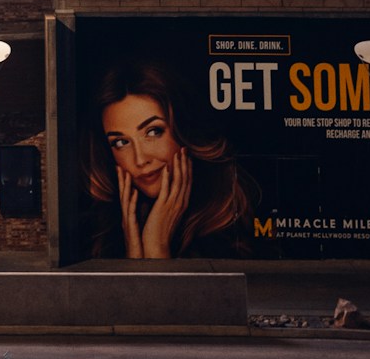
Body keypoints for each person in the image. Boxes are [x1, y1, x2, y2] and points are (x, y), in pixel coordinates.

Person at [83, 59, 254, 258]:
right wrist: (134, 256)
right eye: (121, 142)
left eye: (153, 132)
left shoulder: (230, 229)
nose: (140, 160)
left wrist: (156, 246)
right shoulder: (100, 234)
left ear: (183, 129)